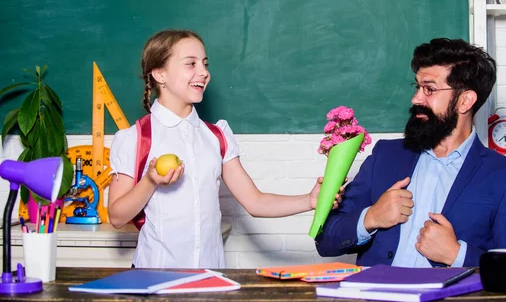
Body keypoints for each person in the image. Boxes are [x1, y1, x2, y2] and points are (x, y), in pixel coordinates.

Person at [108, 29, 341, 269]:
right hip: (153, 274)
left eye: (205, 63)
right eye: (191, 63)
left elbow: (255, 202)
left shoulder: (216, 136)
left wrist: (310, 200)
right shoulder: (135, 138)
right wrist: (150, 180)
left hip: (211, 277)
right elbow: (116, 217)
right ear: (160, 74)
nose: (204, 72)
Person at [315, 38, 506, 267]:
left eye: (429, 89)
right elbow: (325, 240)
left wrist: (456, 254)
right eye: (417, 87)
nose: (416, 98)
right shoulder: (385, 156)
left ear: (465, 101)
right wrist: (371, 218)